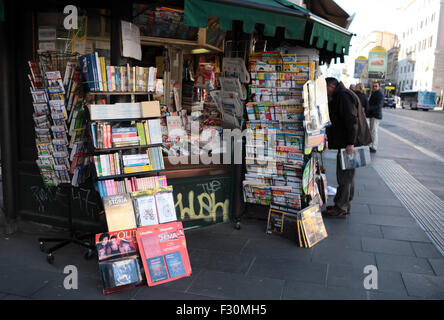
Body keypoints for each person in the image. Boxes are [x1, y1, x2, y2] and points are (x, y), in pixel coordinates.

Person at [324, 77, 372, 217]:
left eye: (325, 89)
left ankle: (341, 207)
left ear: (331, 86)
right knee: (348, 175)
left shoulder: (343, 96)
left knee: (345, 175)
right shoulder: (343, 94)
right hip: (350, 142)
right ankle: (344, 205)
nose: (325, 92)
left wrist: (350, 143)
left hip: (351, 143)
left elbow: (352, 121)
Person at [367, 81, 384, 153]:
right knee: (371, 131)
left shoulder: (379, 94)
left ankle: (374, 146)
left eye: (376, 86)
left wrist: (369, 108)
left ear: (379, 87)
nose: (374, 87)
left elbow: (379, 105)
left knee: (374, 131)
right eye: (373, 86)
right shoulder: (373, 93)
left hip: (376, 115)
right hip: (372, 115)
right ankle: (370, 145)